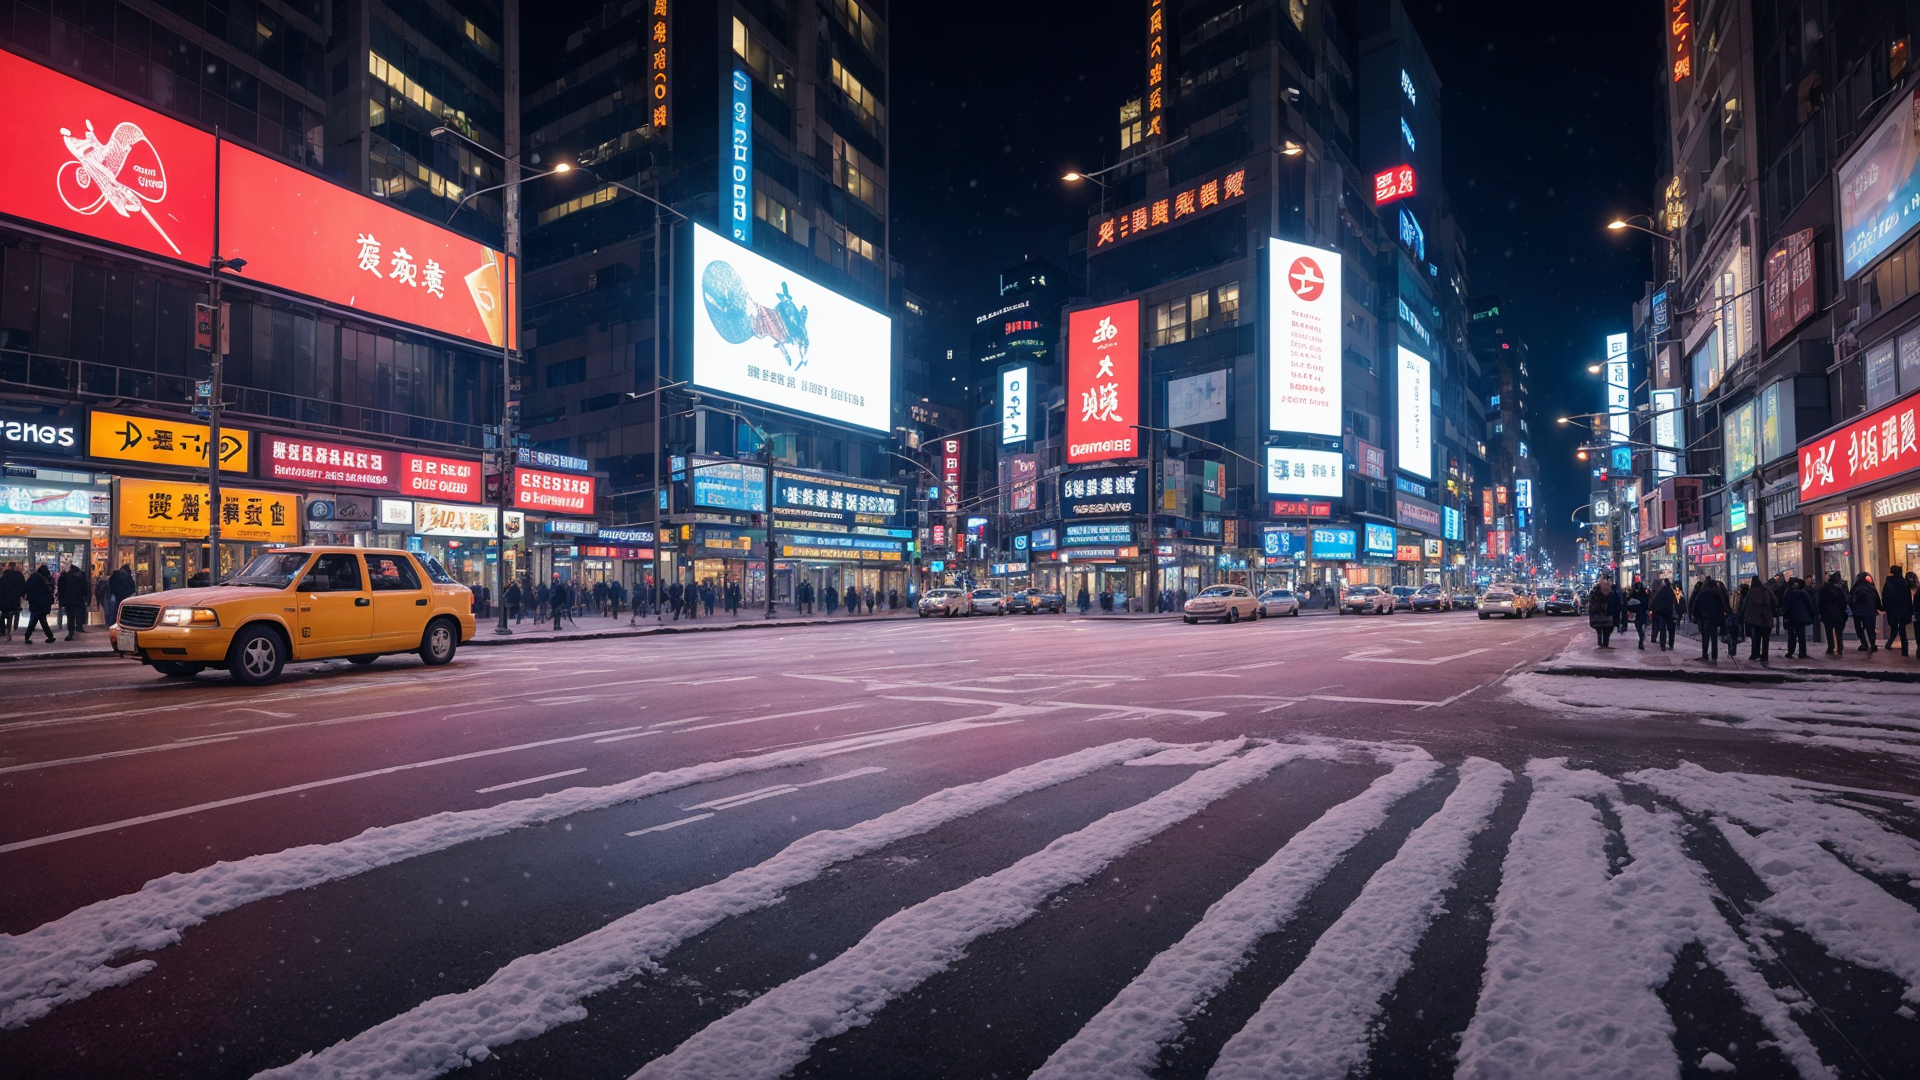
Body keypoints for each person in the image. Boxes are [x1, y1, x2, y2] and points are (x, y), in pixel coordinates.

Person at [1740, 573, 1778, 664]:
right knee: (1765, 639)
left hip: (1756, 621)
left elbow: (1746, 606)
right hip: (1766, 619)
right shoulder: (1766, 590)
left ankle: (1755, 653)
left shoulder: (1752, 592)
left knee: (1755, 638)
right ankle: (1764, 656)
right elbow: (1775, 603)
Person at [1689, 577, 1728, 662]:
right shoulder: (1716, 592)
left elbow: (1695, 605)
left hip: (1704, 618)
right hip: (1714, 617)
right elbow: (1723, 604)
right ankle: (1714, 655)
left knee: (1705, 637)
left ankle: (1705, 654)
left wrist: (1696, 617)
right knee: (1714, 637)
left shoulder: (1702, 592)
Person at [1782, 577, 1816, 660]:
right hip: (1800, 618)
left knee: (1791, 636)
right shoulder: (1802, 593)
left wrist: (1785, 616)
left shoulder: (1788, 593)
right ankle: (1802, 653)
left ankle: (1790, 652)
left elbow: (1785, 605)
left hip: (1791, 618)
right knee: (1801, 636)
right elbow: (1809, 605)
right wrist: (1812, 614)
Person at [1884, 565, 1914, 657]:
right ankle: (1904, 650)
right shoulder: (1904, 583)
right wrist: (1909, 610)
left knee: (1894, 627)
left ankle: (1889, 643)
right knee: (1902, 630)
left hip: (1892, 609)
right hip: (1902, 610)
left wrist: (1885, 608)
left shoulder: (1888, 582)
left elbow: (1884, 596)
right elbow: (1908, 599)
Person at [23, 564, 57, 644]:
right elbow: (49, 590)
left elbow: (28, 589)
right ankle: (49, 636)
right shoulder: (45, 579)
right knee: (38, 620)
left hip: (35, 603)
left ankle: (49, 636)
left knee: (38, 620)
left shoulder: (33, 578)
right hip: (42, 603)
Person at [1818, 572, 1851, 655]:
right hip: (1838, 614)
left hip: (1827, 614)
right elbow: (1844, 602)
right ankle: (1839, 648)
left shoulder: (1824, 590)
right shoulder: (1840, 591)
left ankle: (1831, 647)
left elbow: (1820, 602)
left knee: (1829, 632)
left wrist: (1821, 613)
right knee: (1839, 633)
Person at [57, 562, 90, 640]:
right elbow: (85, 588)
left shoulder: (64, 576)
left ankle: (71, 632)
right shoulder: (80, 576)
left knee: (70, 616)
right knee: (79, 613)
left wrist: (61, 601)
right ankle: (79, 626)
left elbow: (60, 589)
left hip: (68, 599)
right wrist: (86, 597)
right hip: (79, 599)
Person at [1851, 571, 1882, 652]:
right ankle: (1872, 644)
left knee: (1859, 628)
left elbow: (1851, 600)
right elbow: (1877, 600)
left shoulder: (1855, 588)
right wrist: (1880, 608)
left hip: (1858, 612)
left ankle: (1864, 643)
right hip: (1870, 612)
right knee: (1871, 628)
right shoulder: (1871, 588)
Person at [1587, 579, 1621, 647]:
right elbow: (1615, 605)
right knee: (1607, 631)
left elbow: (1591, 605)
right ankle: (1605, 643)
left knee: (1599, 630)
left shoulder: (1594, 593)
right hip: (1607, 616)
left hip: (1597, 616)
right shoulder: (1611, 594)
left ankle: (1600, 641)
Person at [1649, 577, 1676, 651]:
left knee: (1663, 629)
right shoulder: (1670, 591)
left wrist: (1653, 609)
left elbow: (1655, 601)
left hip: (1661, 612)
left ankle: (1662, 645)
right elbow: (1674, 602)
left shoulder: (1660, 591)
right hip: (1669, 612)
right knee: (1671, 629)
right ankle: (1671, 644)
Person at [0, 561, 25, 642]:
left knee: (4, 614)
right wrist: (22, 596)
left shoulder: (4, 576)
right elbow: (22, 587)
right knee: (14, 614)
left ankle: (3, 630)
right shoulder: (18, 575)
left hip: (4, 600)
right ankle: (13, 628)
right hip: (14, 599)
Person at [1626, 578, 1650, 649]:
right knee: (1640, 627)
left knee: (1639, 627)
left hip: (1640, 613)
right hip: (1641, 613)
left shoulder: (1636, 594)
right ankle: (1641, 639)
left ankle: (1641, 640)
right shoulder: (1643, 594)